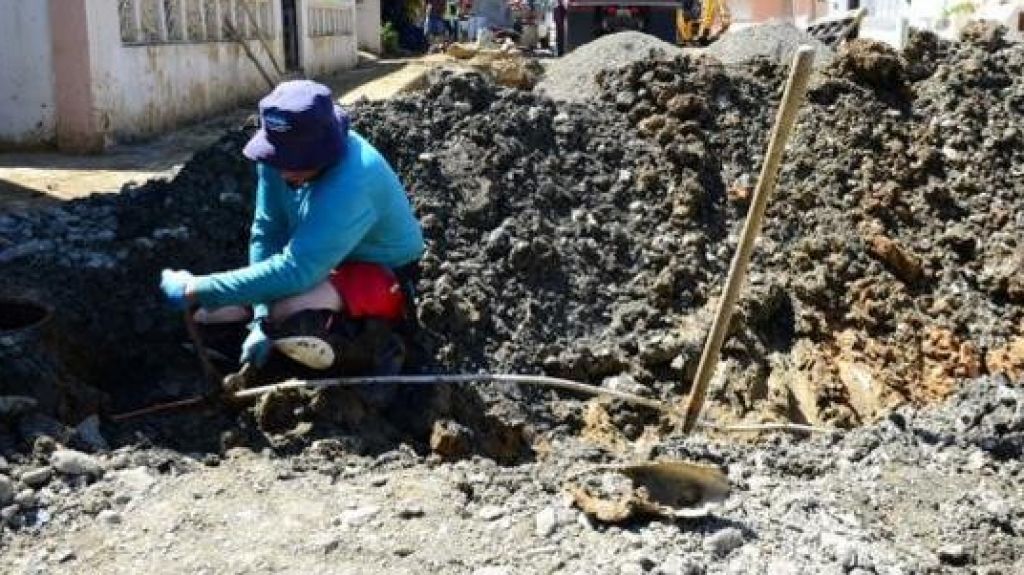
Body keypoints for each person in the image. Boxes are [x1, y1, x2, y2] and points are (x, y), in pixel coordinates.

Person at [160, 80, 425, 381]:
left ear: (323, 152)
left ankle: (380, 348)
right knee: (213, 313)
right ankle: (265, 353)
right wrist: (259, 317)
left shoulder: (354, 181)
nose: (283, 171)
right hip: (320, 260)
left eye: (294, 162)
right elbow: (268, 231)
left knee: (288, 312)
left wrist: (197, 288)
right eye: (279, 159)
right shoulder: (277, 159)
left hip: (384, 274)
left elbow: (298, 270)